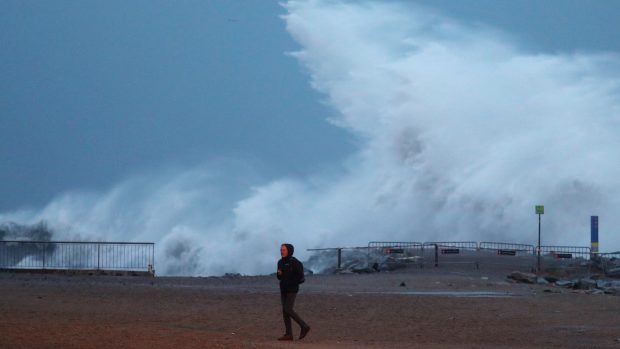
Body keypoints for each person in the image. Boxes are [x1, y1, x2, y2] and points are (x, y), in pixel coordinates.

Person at [276, 243, 310, 341]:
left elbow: (302, 278)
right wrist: (279, 274)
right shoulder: (280, 262)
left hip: (292, 289)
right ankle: (288, 334)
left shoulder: (296, 263)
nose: (281, 251)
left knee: (288, 309)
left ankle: (304, 326)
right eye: (281, 250)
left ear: (289, 251)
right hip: (283, 289)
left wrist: (291, 282)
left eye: (283, 250)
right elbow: (279, 277)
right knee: (285, 311)